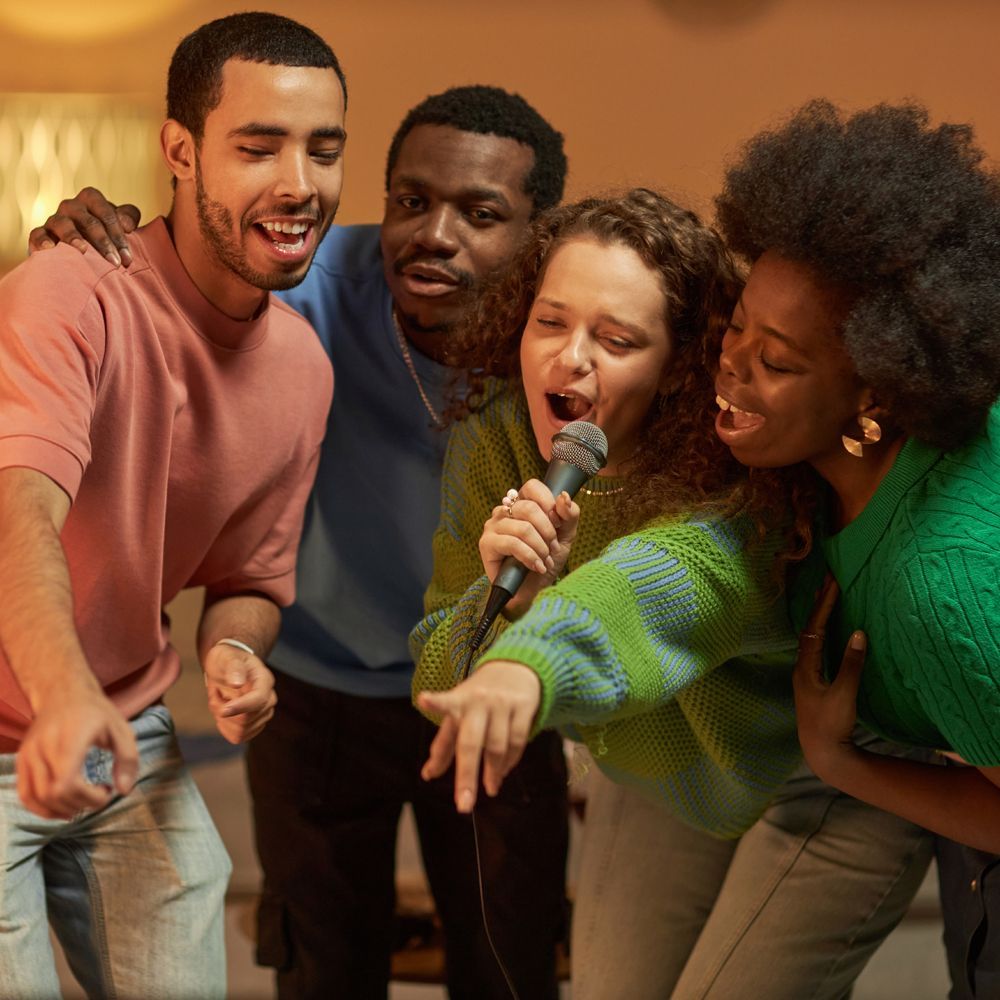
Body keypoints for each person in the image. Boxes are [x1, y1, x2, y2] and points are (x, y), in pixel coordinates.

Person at [32, 86, 570, 998]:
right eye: (410, 201)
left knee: (511, 967)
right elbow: (171, 290)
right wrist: (98, 243)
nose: (432, 234)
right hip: (318, 693)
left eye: (480, 214)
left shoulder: (563, 329)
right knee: (324, 973)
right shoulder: (305, 285)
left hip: (496, 684)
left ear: (538, 235)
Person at [413, 190, 933, 998]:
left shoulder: (743, 465)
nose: (569, 359)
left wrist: (529, 664)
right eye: (549, 321)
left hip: (829, 775)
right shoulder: (501, 436)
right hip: (665, 769)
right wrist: (506, 607)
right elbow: (439, 672)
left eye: (616, 339)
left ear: (681, 361)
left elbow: (665, 582)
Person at [0, 12, 343, 999]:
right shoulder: (68, 295)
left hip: (128, 732)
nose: (299, 184)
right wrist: (63, 701)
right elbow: (20, 510)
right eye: (258, 145)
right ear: (180, 152)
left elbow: (248, 576)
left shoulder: (303, 372)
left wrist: (237, 649)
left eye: (323, 149)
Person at [709, 99, 1000, 999]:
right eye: (737, 328)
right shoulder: (857, 468)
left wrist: (842, 764)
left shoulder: (933, 588)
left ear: (875, 385)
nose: (734, 367)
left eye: (780, 361)